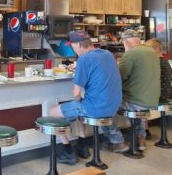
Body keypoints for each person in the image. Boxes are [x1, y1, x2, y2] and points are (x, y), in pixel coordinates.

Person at [47, 30, 123, 164]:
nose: (73, 49)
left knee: (53, 112)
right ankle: (82, 145)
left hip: (97, 108)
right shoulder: (107, 54)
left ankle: (68, 152)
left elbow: (76, 93)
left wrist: (81, 66)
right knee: (79, 104)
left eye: (73, 46)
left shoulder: (83, 59)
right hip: (113, 106)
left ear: (79, 45)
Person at [103, 29, 160, 152]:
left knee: (103, 109)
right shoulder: (152, 52)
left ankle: (118, 142)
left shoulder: (130, 54)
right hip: (152, 100)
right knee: (137, 108)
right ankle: (141, 140)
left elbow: (119, 77)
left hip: (136, 101)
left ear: (126, 42)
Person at [145, 38, 172, 103]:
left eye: (148, 49)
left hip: (158, 97)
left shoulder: (157, 62)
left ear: (157, 50)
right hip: (164, 95)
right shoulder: (164, 61)